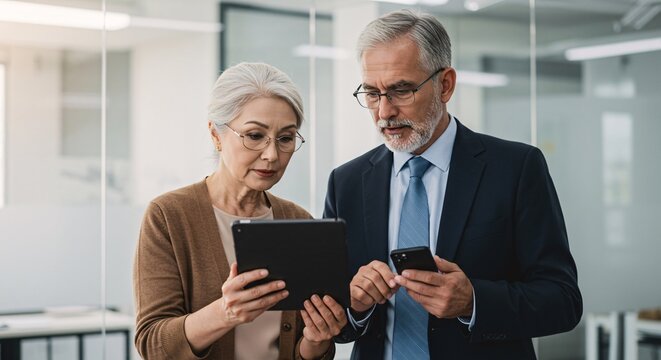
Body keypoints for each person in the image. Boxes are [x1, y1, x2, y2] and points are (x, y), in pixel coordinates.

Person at [324, 9, 582, 359]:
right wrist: (355, 305)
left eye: (401, 90)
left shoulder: (516, 168)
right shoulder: (347, 182)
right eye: (372, 93)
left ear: (445, 85)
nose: (384, 112)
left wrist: (473, 300)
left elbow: (562, 299)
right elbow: (333, 323)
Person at [133, 62, 346, 360]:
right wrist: (225, 312)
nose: (272, 155)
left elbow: (304, 351)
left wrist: (315, 341)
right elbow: (153, 345)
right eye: (255, 136)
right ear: (216, 135)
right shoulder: (168, 216)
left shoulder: (298, 220)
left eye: (285, 138)